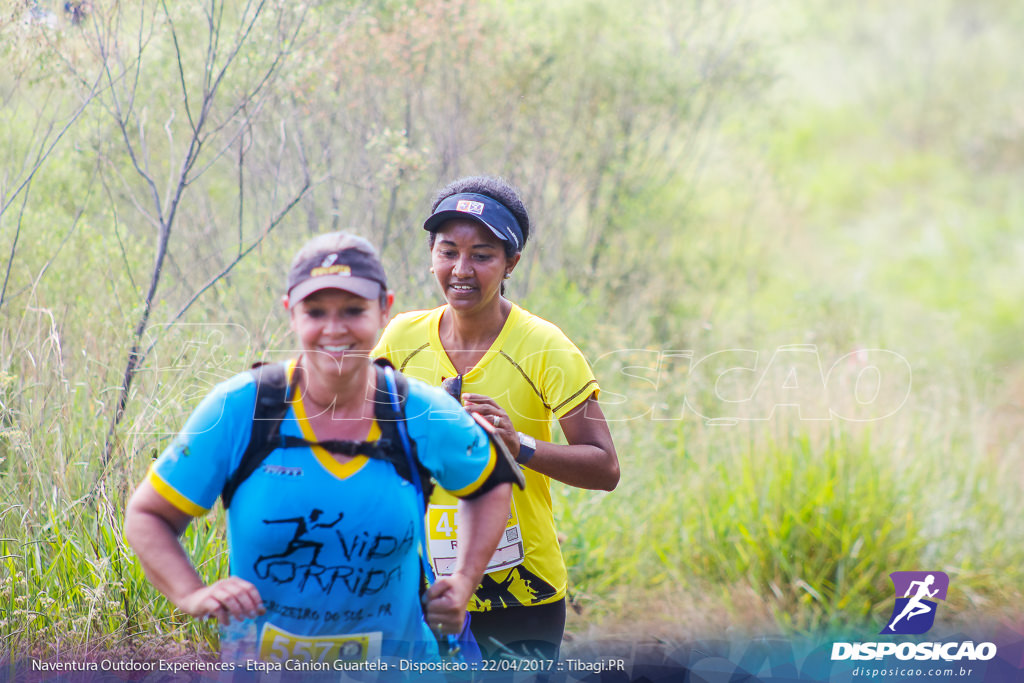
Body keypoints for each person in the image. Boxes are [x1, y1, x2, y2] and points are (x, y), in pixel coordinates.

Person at [124, 232, 515, 665]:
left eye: (352, 310)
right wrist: (191, 594)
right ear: (291, 312)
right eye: (315, 311)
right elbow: (148, 515)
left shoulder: (421, 412)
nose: (334, 329)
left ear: (384, 309)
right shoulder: (240, 409)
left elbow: (492, 483)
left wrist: (463, 582)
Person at [374, 176, 619, 661]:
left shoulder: (545, 346)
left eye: (482, 255)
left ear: (511, 263)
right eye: (448, 252)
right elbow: (366, 437)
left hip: (522, 594)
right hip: (421, 586)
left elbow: (605, 467)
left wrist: (518, 445)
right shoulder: (401, 338)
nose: (462, 270)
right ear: (432, 256)